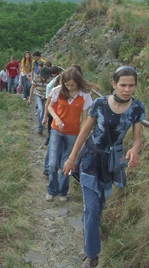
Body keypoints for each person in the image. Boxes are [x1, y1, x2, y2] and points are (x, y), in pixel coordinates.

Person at [63, 66, 145, 268]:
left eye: (131, 85)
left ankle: (89, 239)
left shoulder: (137, 108)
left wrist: (134, 150)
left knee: (98, 207)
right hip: (91, 159)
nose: (127, 89)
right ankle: (92, 255)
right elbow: (84, 132)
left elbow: (136, 139)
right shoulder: (100, 104)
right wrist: (71, 158)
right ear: (114, 84)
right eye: (123, 85)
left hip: (112, 162)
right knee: (91, 209)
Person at [46, 66, 98, 202]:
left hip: (73, 133)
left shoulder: (85, 96)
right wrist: (56, 118)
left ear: (78, 83)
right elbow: (50, 106)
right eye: (67, 84)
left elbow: (85, 118)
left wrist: (83, 133)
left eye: (72, 85)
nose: (69, 87)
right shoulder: (58, 91)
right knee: (52, 163)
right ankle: (52, 189)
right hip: (56, 130)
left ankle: (63, 192)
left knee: (67, 163)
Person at [27, 66, 51, 135]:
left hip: (46, 96)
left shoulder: (50, 80)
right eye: (43, 77)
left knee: (44, 111)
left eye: (45, 77)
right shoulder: (36, 78)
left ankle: (41, 125)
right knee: (41, 109)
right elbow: (32, 87)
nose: (44, 79)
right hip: (37, 94)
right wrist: (30, 98)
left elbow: (51, 90)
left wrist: (46, 96)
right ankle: (40, 128)